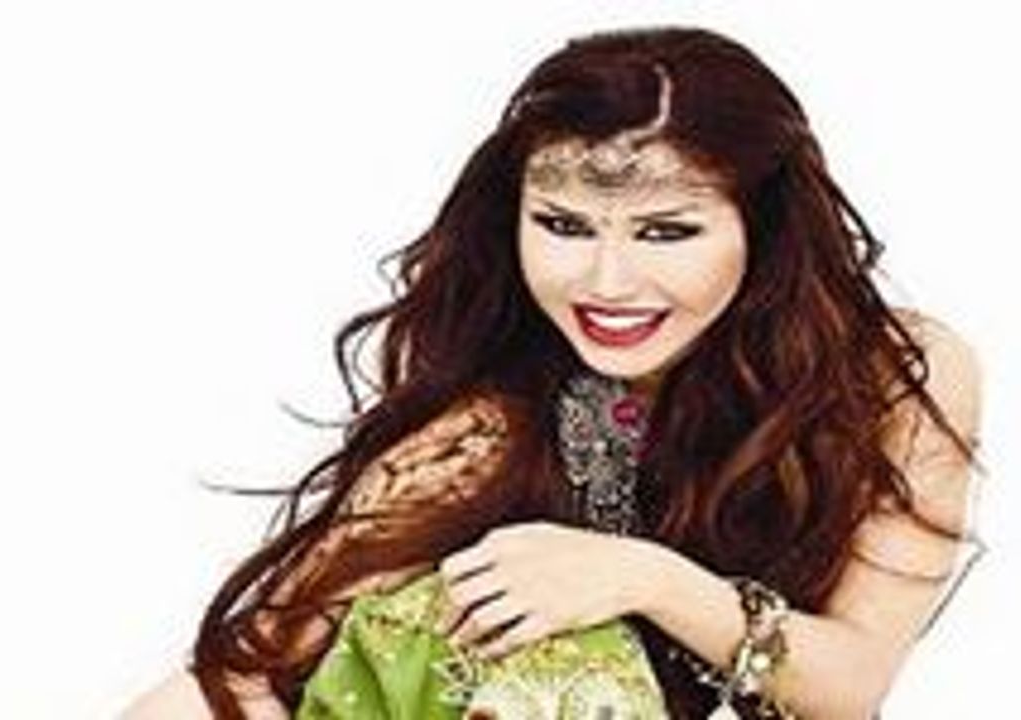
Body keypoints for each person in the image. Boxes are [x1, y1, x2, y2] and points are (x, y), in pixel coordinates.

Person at [123, 25, 985, 719]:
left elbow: (851, 688)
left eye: (666, 232)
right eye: (564, 226)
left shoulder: (890, 380)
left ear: (766, 232)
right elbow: (242, 673)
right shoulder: (482, 433)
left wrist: (643, 578)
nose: (607, 283)